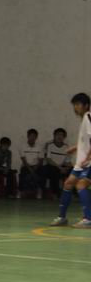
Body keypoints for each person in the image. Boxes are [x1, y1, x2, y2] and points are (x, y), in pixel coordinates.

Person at [50, 93, 91, 228]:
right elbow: (86, 140)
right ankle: (62, 217)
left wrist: (88, 157)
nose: (75, 107)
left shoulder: (88, 116)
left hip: (88, 162)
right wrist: (76, 147)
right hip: (81, 163)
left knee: (81, 185)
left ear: (86, 105)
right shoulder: (84, 119)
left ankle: (88, 219)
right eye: (74, 105)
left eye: (78, 104)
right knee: (68, 184)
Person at [40, 128, 72, 198]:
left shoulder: (66, 147)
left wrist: (67, 168)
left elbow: (68, 162)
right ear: (54, 136)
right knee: (54, 170)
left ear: (64, 137)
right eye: (58, 135)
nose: (59, 137)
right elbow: (49, 160)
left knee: (74, 171)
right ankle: (55, 193)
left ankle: (73, 192)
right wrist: (60, 168)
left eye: (62, 135)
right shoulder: (49, 145)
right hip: (50, 166)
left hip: (61, 166)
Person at [19, 129, 44, 199]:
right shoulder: (22, 146)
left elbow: (41, 160)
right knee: (23, 172)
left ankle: (39, 191)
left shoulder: (40, 147)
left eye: (34, 136)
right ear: (27, 136)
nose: (32, 138)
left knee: (42, 171)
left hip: (37, 166)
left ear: (36, 137)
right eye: (31, 136)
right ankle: (20, 191)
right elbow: (23, 159)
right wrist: (30, 169)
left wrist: (35, 168)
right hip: (26, 166)